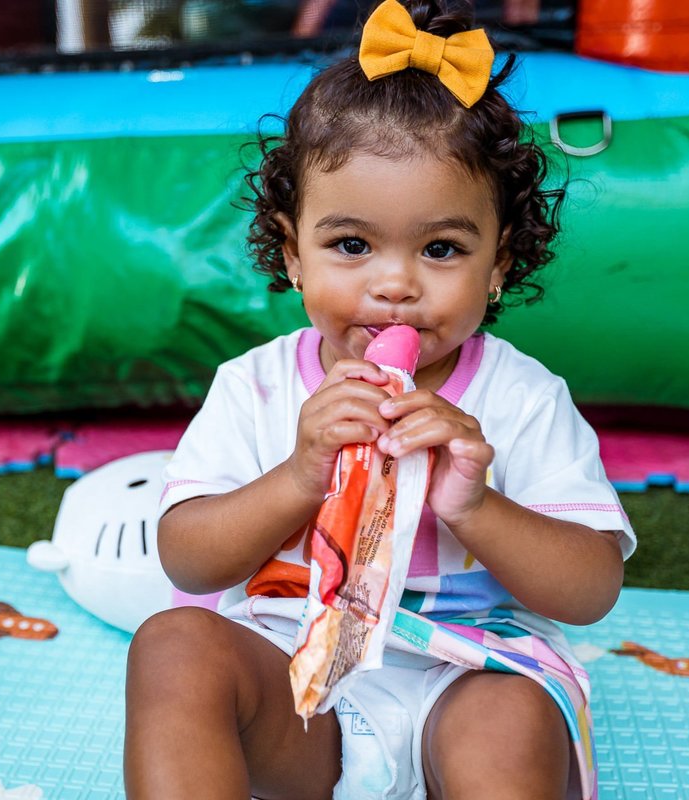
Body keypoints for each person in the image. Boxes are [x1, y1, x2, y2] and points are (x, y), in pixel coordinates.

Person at [124, 1, 636, 797]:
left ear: (499, 264)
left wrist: (476, 506)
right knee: (172, 644)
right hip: (296, 679)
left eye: (441, 248)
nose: (394, 284)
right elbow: (188, 559)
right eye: (352, 244)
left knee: (511, 717)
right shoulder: (255, 385)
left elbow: (591, 589)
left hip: (466, 675)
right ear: (294, 253)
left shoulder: (524, 398)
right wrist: (298, 475)